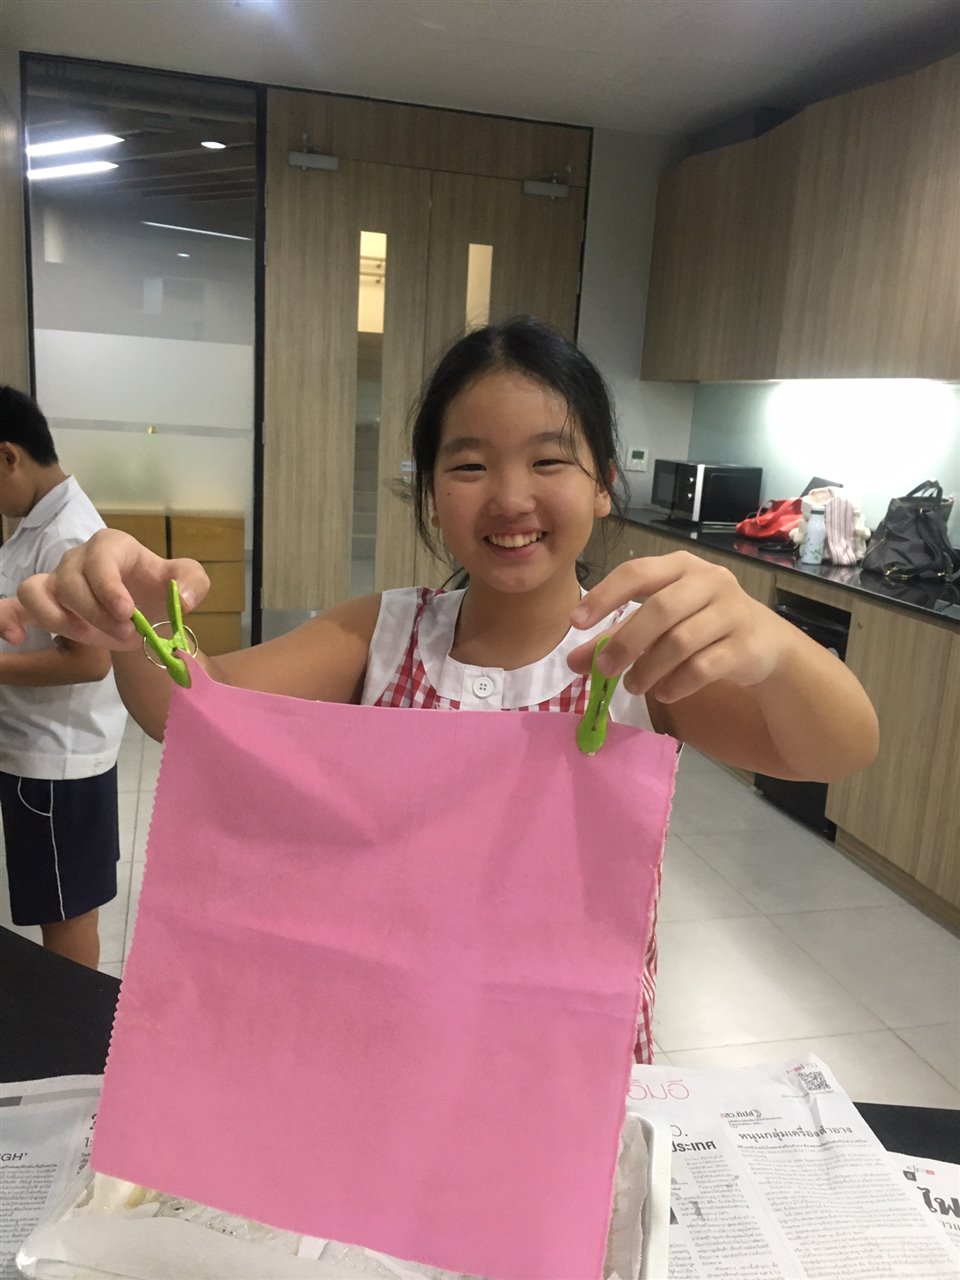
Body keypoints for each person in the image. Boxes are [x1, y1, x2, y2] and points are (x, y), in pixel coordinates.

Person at [15, 320, 879, 1054]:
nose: (510, 497)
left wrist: (773, 645)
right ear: (430, 492)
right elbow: (191, 712)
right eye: (468, 467)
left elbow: (836, 750)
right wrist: (131, 615)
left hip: (570, 1059)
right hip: (394, 1043)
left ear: (604, 486)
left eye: (550, 460)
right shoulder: (381, 634)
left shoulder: (637, 659)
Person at [0, 386, 127, 969]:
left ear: (9, 456)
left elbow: (89, 661)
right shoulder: (37, 524)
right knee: (61, 904)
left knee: (68, 915)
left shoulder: (67, 534)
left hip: (56, 763)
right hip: (43, 754)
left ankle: (77, 1019)